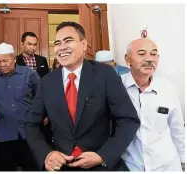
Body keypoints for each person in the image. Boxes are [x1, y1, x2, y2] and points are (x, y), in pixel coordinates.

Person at [24, 21, 140, 171]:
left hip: (101, 164)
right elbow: (31, 124)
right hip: (62, 166)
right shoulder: (47, 81)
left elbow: (128, 119)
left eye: (69, 41)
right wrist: (46, 154)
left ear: (84, 44)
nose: (62, 47)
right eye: (57, 43)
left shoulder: (104, 74)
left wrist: (103, 155)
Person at [121, 38, 185, 171]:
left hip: (167, 167)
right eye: (142, 53)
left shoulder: (167, 88)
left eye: (154, 54)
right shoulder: (116, 86)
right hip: (131, 166)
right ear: (128, 60)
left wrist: (184, 160)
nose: (150, 59)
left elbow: (177, 129)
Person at [0, 43, 39, 171]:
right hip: (2, 134)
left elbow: (41, 97)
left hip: (27, 132)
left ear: (14, 59)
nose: (2, 64)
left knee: (33, 168)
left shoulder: (28, 74)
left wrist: (41, 117)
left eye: (5, 61)